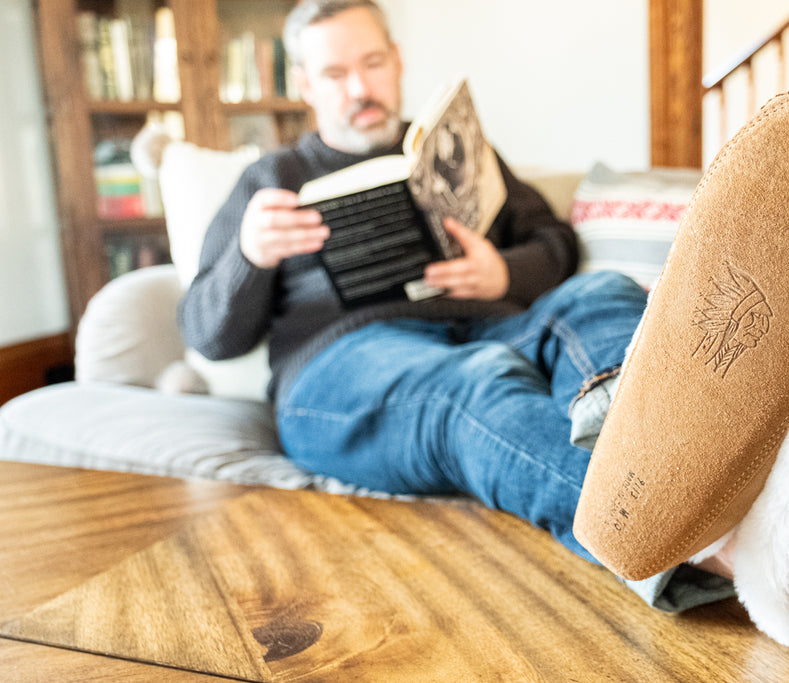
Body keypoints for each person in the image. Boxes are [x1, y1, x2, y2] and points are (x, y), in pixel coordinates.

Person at [179, 0, 735, 609]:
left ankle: (638, 448)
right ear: (307, 84)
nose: (360, 88)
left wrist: (503, 272)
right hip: (343, 368)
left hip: (487, 327)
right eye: (336, 75)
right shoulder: (273, 178)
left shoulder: (455, 147)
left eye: (371, 63)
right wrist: (249, 256)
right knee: (476, 385)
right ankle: (705, 545)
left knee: (601, 293)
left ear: (397, 60)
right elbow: (208, 335)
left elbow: (555, 241)